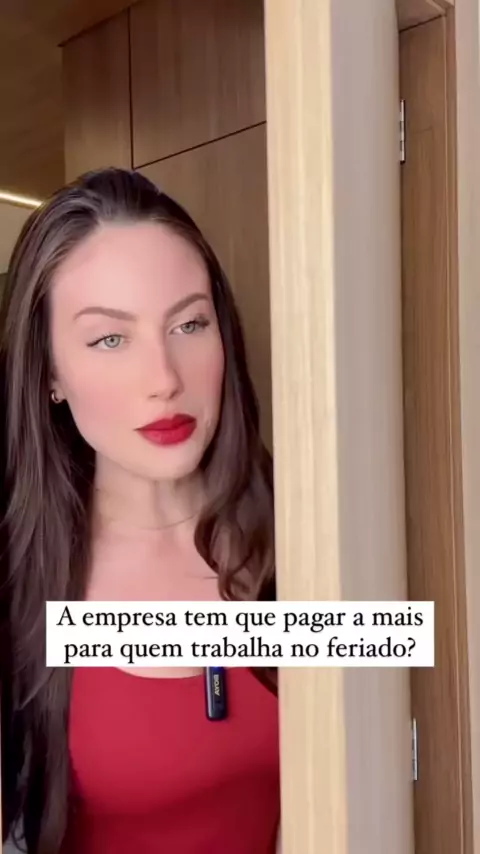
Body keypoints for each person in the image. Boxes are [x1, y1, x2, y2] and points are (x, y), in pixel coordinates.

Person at [0, 168, 279, 854]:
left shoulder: (311, 532)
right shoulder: (16, 583)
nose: (165, 379)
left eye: (189, 323)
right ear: (50, 373)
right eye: (110, 338)